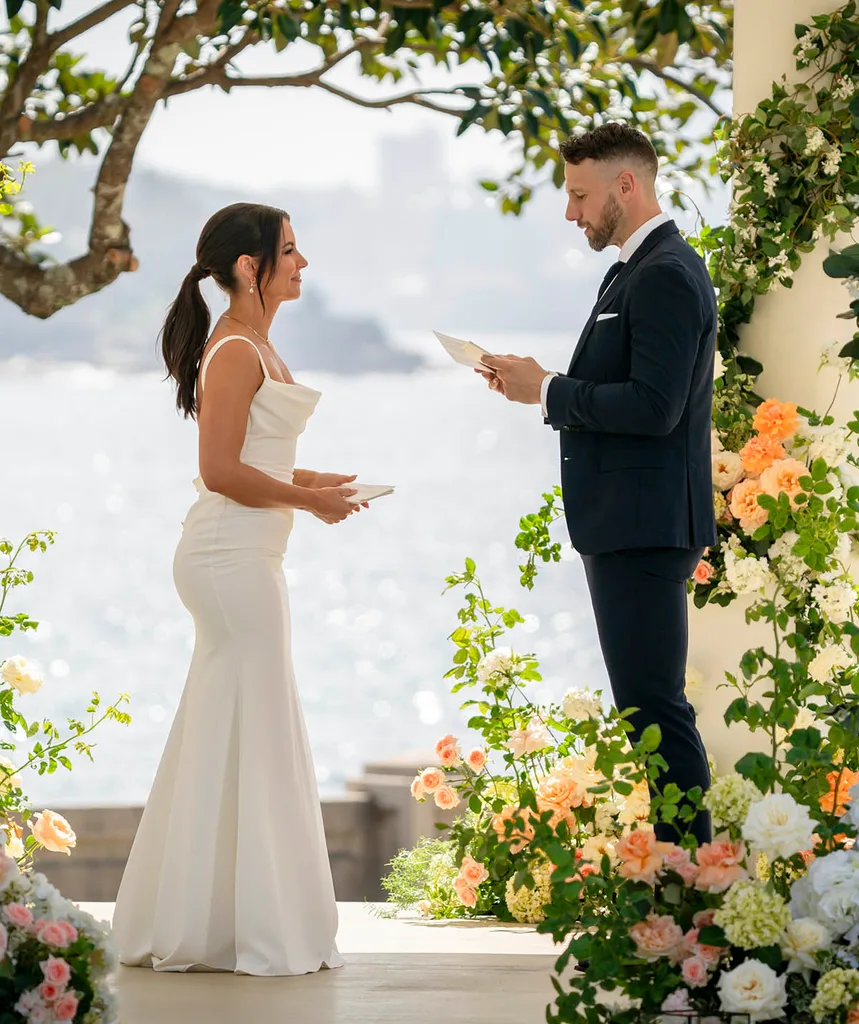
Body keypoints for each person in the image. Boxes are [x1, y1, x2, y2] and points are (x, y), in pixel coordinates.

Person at [113, 202, 362, 974]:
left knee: (238, 725)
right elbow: (219, 472)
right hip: (228, 560)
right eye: (289, 250)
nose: (303, 263)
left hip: (252, 553)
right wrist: (307, 500)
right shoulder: (232, 350)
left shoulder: (255, 343)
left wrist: (313, 483)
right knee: (250, 725)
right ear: (249, 267)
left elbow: (256, 458)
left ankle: (214, 918)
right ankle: (232, 926)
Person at [479, 123, 717, 845]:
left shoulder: (665, 275)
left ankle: (691, 897)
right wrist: (539, 383)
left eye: (579, 194)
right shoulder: (633, 272)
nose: (569, 211)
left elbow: (655, 407)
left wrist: (547, 390)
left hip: (642, 528)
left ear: (626, 185)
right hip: (627, 524)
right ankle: (684, 890)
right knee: (646, 709)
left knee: (655, 710)